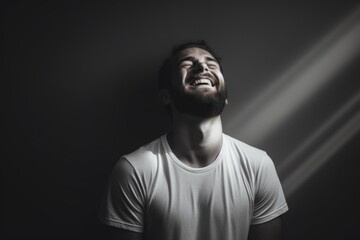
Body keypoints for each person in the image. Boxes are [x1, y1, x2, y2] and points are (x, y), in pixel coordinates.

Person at [98, 40, 288, 240]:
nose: (203, 67)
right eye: (187, 64)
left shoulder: (258, 165)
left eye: (211, 64)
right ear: (165, 96)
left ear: (225, 96)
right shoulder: (134, 170)